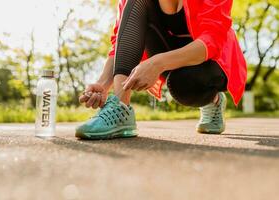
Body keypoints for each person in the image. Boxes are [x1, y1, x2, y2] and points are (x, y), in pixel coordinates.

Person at [76, 0, 247, 139]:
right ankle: (120, 109)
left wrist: (158, 63)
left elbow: (213, 39)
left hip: (212, 60)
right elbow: (120, 42)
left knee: (183, 85)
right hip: (168, 53)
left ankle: (214, 100)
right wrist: (103, 83)